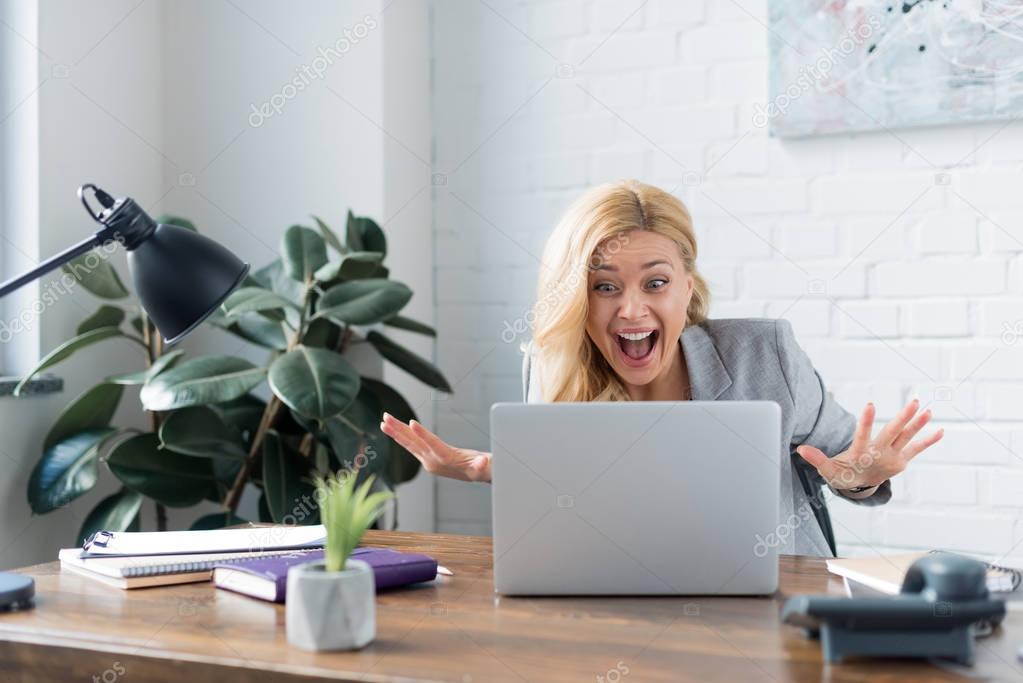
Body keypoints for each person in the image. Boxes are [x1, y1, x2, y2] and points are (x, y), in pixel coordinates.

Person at [380, 179, 943, 556]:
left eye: (656, 282)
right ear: (575, 299)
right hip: (622, 610)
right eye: (604, 287)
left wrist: (861, 476)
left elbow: (845, 464)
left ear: (687, 290)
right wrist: (490, 470)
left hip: (779, 609)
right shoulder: (555, 366)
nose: (632, 309)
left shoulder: (763, 355)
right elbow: (579, 502)